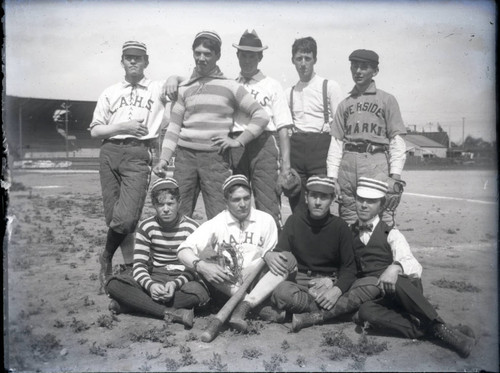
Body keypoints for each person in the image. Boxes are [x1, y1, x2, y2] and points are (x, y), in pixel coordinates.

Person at [352, 177, 476, 358]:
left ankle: (449, 335)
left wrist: (395, 267)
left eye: (371, 201)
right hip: (380, 298)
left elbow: (413, 265)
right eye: (360, 199)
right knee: (365, 312)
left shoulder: (391, 233)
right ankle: (443, 329)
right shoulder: (351, 232)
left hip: (406, 295)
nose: (363, 205)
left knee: (400, 282)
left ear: (382, 204)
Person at [153, 31, 269, 221]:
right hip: (185, 158)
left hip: (215, 159)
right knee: (178, 214)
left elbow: (261, 116)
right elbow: (174, 128)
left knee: (220, 217)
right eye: (197, 53)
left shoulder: (231, 86)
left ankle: (223, 252)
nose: (201, 58)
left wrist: (238, 141)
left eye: (207, 54)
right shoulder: (184, 88)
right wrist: (164, 160)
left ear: (218, 56)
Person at [89, 41, 167, 290]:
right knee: (114, 216)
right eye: (128, 58)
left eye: (138, 58)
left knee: (126, 218)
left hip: (137, 152)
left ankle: (106, 257)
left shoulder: (157, 88)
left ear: (146, 61)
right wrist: (123, 126)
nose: (133, 61)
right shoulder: (110, 91)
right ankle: (131, 266)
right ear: (122, 61)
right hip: (109, 149)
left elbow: (178, 87)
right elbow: (95, 130)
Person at [176, 175, 297, 332]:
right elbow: (183, 250)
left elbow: (272, 255)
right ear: (226, 201)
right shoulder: (217, 222)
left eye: (247, 198)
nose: (243, 204)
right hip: (229, 284)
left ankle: (245, 305)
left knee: (286, 259)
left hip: (259, 282)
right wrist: (202, 266)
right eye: (236, 200)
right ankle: (255, 307)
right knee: (207, 261)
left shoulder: (265, 220)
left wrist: (269, 255)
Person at [269, 175, 380, 332]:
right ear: (306, 198)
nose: (318, 202)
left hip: (330, 283)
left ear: (333, 199)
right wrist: (269, 255)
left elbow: (349, 268)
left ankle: (313, 313)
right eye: (314, 195)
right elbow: (281, 255)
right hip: (301, 284)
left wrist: (336, 290)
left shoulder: (340, 227)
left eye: (324, 197)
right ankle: (338, 312)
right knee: (282, 293)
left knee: (373, 284)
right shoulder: (294, 221)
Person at [105, 178, 209, 328]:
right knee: (113, 284)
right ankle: (171, 313)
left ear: (179, 203)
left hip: (181, 279)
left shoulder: (191, 227)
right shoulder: (147, 226)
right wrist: (151, 285)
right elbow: (139, 265)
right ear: (154, 205)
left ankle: (132, 304)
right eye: (160, 204)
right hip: (156, 275)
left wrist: (174, 284)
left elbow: (192, 269)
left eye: (170, 203)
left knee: (199, 293)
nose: (166, 209)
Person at [326, 49, 407, 226]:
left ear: (375, 71)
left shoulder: (387, 100)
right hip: (347, 166)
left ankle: (382, 254)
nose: (358, 71)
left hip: (375, 162)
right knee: (348, 218)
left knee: (381, 219)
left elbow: (397, 141)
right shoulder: (344, 104)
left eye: (364, 67)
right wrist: (332, 177)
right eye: (354, 66)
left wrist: (395, 176)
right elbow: (336, 143)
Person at [229, 29, 293, 229]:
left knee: (267, 202)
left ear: (260, 57)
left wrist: (285, 166)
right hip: (236, 144)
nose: (247, 60)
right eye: (243, 55)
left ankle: (272, 252)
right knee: (237, 201)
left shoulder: (272, 85)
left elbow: (283, 128)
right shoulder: (230, 85)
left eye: (252, 56)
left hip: (264, 144)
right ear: (237, 56)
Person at [285, 37, 342, 212]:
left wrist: (333, 171)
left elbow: (340, 130)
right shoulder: (289, 92)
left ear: (315, 60)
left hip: (321, 154)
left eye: (307, 58)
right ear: (293, 60)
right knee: (298, 206)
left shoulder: (330, 86)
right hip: (297, 153)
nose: (303, 63)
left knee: (320, 203)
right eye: (299, 58)